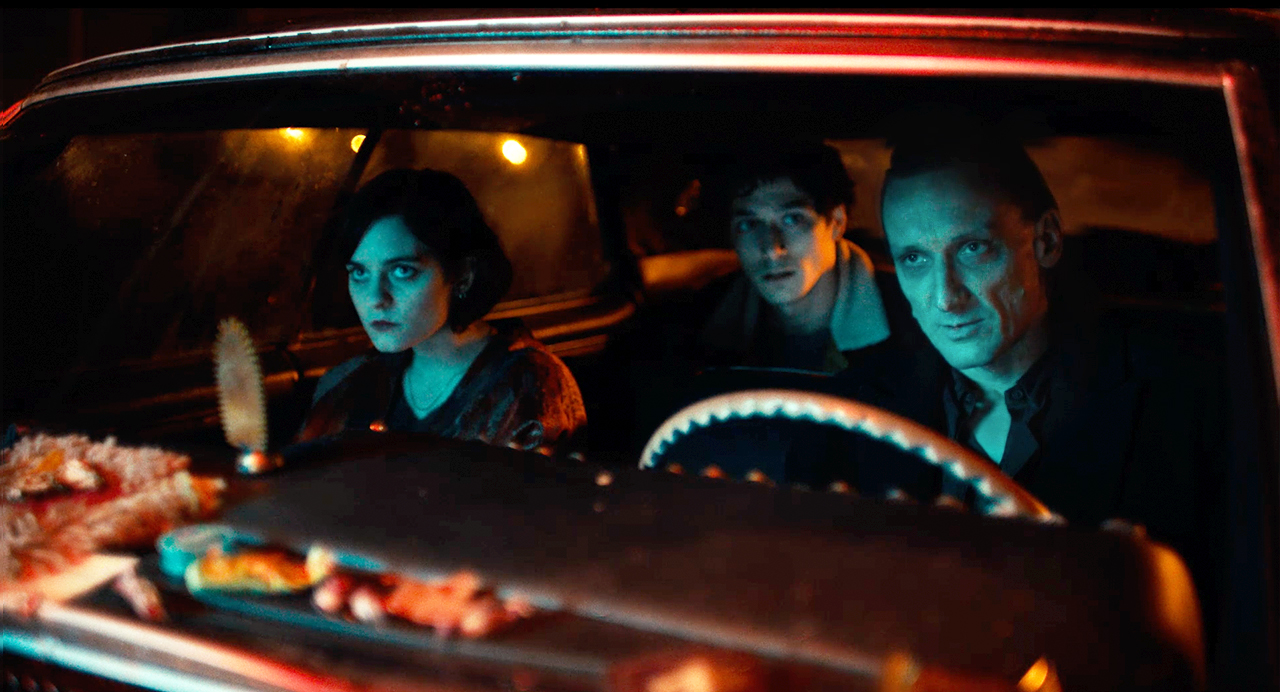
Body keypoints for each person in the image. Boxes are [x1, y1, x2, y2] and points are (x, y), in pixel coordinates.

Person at [833, 127, 1225, 573]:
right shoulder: (856, 407)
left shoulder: (1182, 403)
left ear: (1047, 241)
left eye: (973, 249)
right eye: (915, 259)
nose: (945, 297)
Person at [297, 168, 586, 454]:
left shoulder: (526, 387)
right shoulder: (348, 383)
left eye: (402, 270)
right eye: (359, 273)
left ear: (463, 275)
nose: (375, 298)